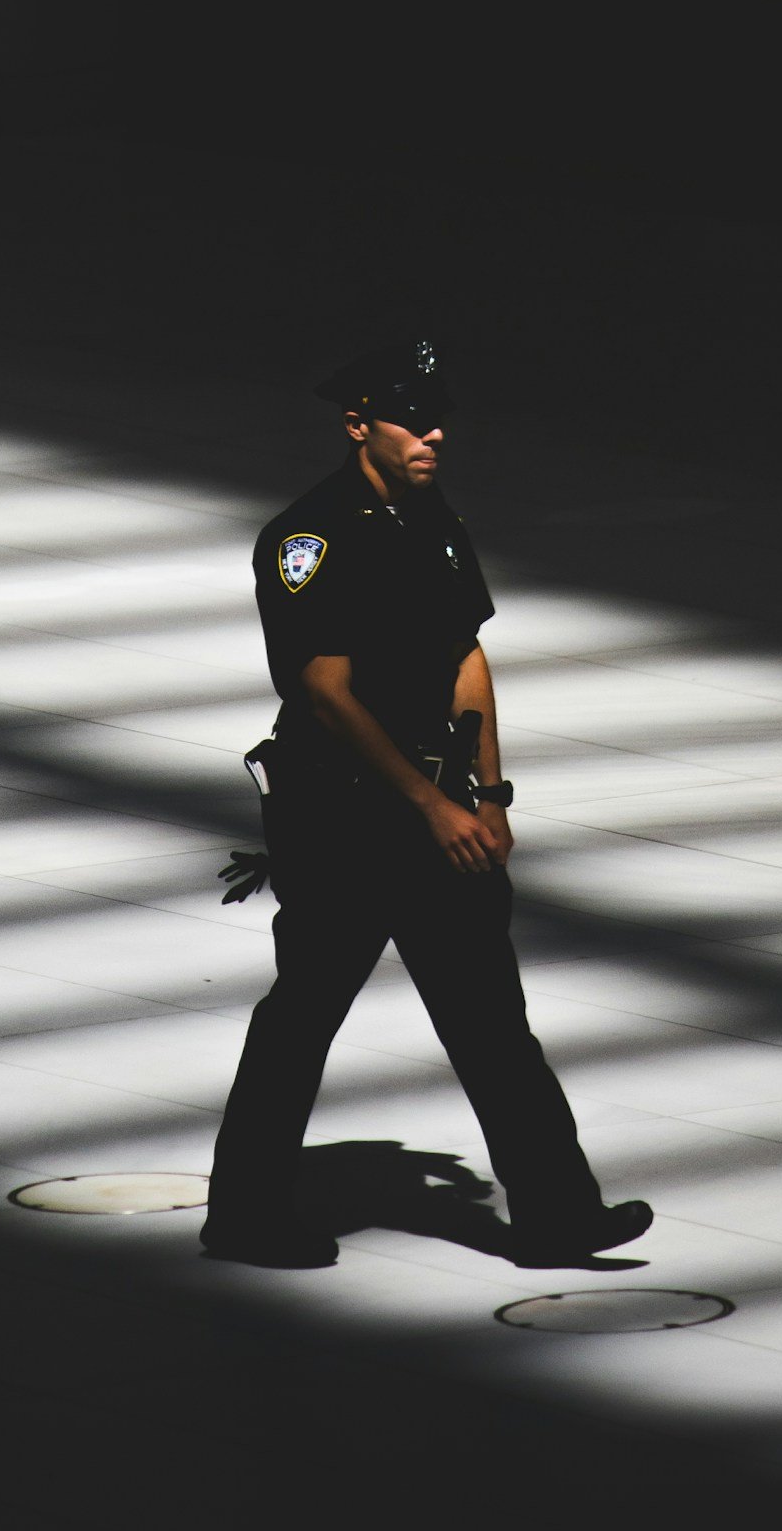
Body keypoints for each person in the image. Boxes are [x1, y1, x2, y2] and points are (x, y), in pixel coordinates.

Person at [201, 339, 651, 1269]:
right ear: (359, 423)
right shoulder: (309, 537)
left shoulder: (432, 519)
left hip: (436, 808)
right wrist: (430, 805)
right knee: (304, 1015)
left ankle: (557, 1212)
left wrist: (486, 793)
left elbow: (465, 656)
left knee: (489, 1017)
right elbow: (326, 692)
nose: (435, 434)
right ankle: (243, 1213)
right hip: (343, 820)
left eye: (441, 417)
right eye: (415, 418)